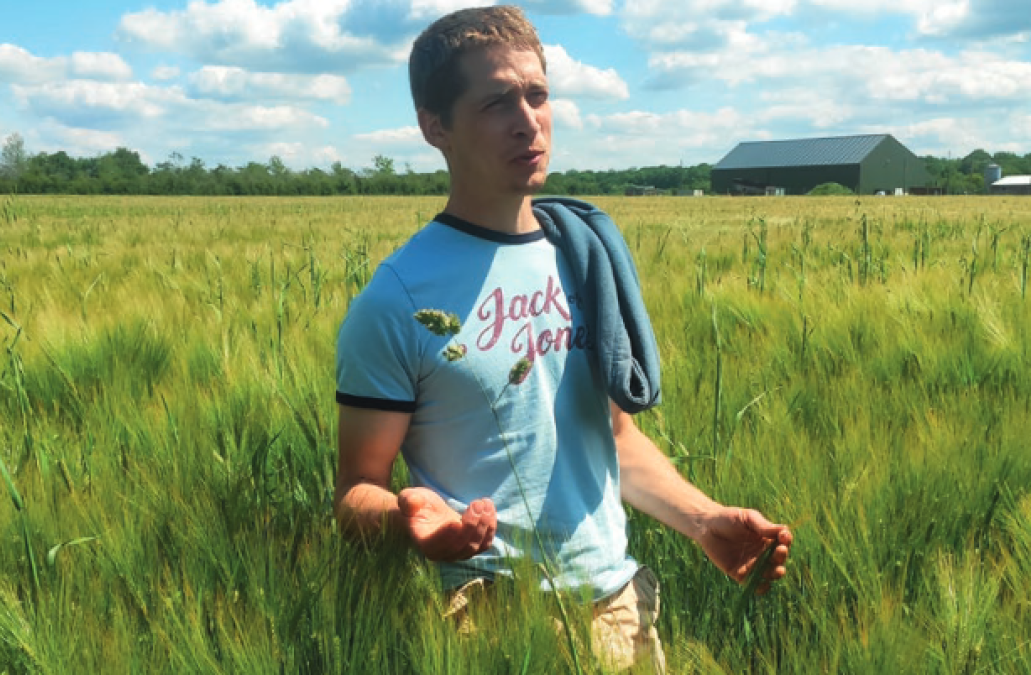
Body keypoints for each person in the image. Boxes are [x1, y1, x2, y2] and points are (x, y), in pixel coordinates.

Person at [333, 5, 792, 670]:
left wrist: (702, 518)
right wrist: (408, 523)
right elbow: (355, 486)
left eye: (538, 94)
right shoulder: (397, 299)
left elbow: (615, 436)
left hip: (616, 604)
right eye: (496, 102)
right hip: (488, 623)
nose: (528, 121)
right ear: (436, 127)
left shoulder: (584, 258)